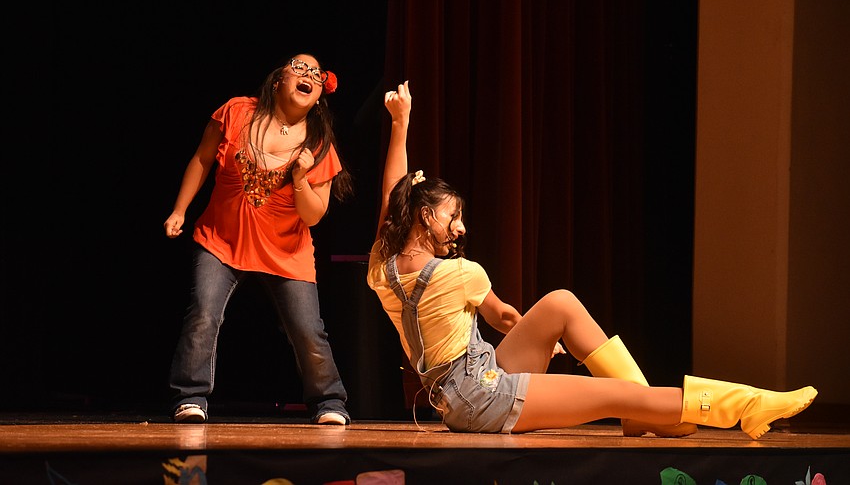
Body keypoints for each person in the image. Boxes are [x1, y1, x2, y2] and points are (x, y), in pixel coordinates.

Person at [366, 80, 817, 437]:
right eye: (454, 216)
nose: (461, 228)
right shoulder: (462, 273)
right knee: (614, 395)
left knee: (561, 302)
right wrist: (525, 331)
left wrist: (400, 124)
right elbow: (502, 314)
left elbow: (393, 196)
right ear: (425, 216)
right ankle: (746, 406)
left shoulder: (381, 269)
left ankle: (644, 410)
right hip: (486, 397)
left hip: (461, 395)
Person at [163, 53, 352, 425]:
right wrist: (180, 209)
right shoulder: (236, 112)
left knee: (308, 330)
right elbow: (202, 159)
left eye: (315, 73)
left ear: (318, 98)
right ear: (278, 80)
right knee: (203, 313)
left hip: (285, 250)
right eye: (299, 67)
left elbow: (313, 214)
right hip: (222, 239)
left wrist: (299, 178)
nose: (307, 74)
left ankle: (330, 403)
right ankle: (191, 396)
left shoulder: (319, 144)